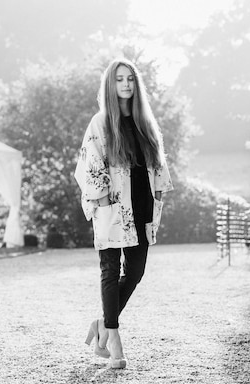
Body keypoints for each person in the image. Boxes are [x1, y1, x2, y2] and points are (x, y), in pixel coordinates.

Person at [74, 58, 173, 368]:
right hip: (112, 207)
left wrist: (158, 198)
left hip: (142, 207)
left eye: (130, 78)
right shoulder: (100, 123)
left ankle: (102, 322)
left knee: (136, 272)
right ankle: (113, 338)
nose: (126, 84)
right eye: (119, 79)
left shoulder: (146, 122)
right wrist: (102, 202)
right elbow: (91, 163)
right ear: (110, 84)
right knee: (109, 268)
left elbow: (158, 165)